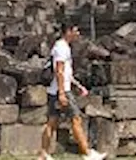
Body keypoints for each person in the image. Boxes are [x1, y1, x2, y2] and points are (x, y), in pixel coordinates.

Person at [39, 23, 105, 160]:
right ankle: (87, 153)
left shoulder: (63, 47)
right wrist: (62, 93)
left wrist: (78, 85)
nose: (78, 33)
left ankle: (44, 154)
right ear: (68, 31)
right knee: (76, 119)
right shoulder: (61, 48)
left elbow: (66, 72)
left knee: (52, 122)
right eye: (75, 30)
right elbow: (59, 70)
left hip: (57, 89)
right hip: (62, 90)